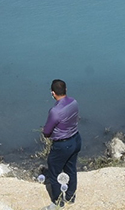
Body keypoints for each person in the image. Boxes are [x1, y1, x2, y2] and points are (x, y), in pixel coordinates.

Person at [42, 79, 80, 208]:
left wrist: (45, 132)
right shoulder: (74, 102)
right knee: (71, 169)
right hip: (76, 139)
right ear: (66, 90)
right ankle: (70, 196)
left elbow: (47, 131)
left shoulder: (55, 111)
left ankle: (58, 202)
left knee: (54, 173)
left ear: (53, 93)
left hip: (62, 145)